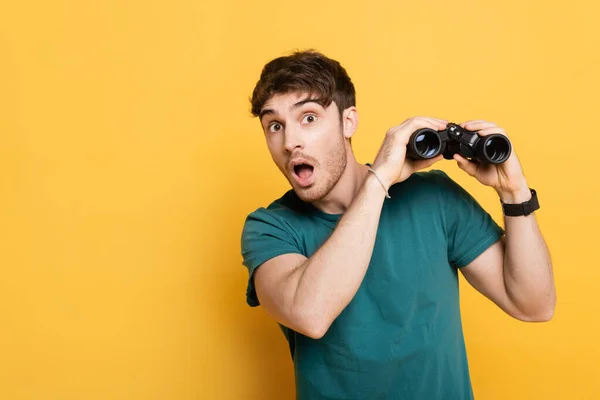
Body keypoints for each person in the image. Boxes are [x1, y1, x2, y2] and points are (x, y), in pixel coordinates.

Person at [240, 50, 556, 400]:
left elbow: (534, 305)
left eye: (309, 118)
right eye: (275, 125)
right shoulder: (269, 228)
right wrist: (380, 179)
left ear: (348, 122)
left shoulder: (433, 198)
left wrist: (515, 192)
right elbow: (311, 314)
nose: (289, 142)